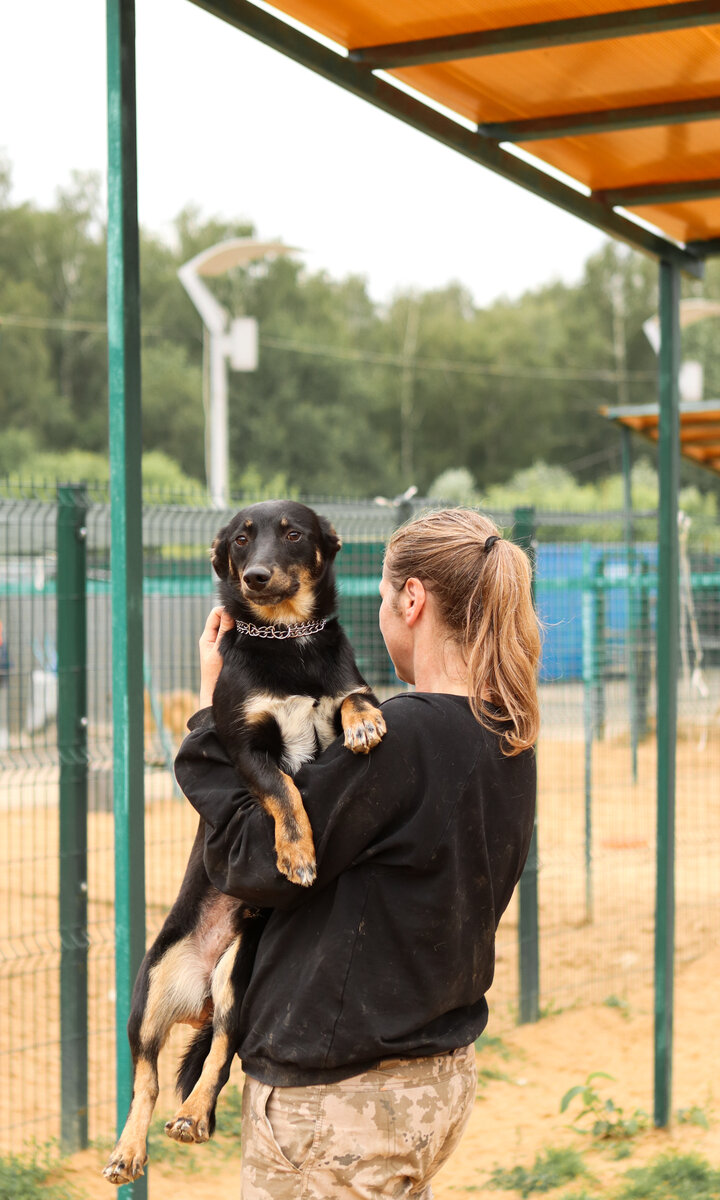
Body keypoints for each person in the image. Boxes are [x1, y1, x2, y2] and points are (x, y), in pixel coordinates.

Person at [174, 507, 541, 1200]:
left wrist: (211, 712)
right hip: (434, 1077)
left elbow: (252, 861)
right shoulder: (505, 734)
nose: (374, 615)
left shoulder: (393, 740)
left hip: (339, 1102)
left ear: (413, 600)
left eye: (379, 597)